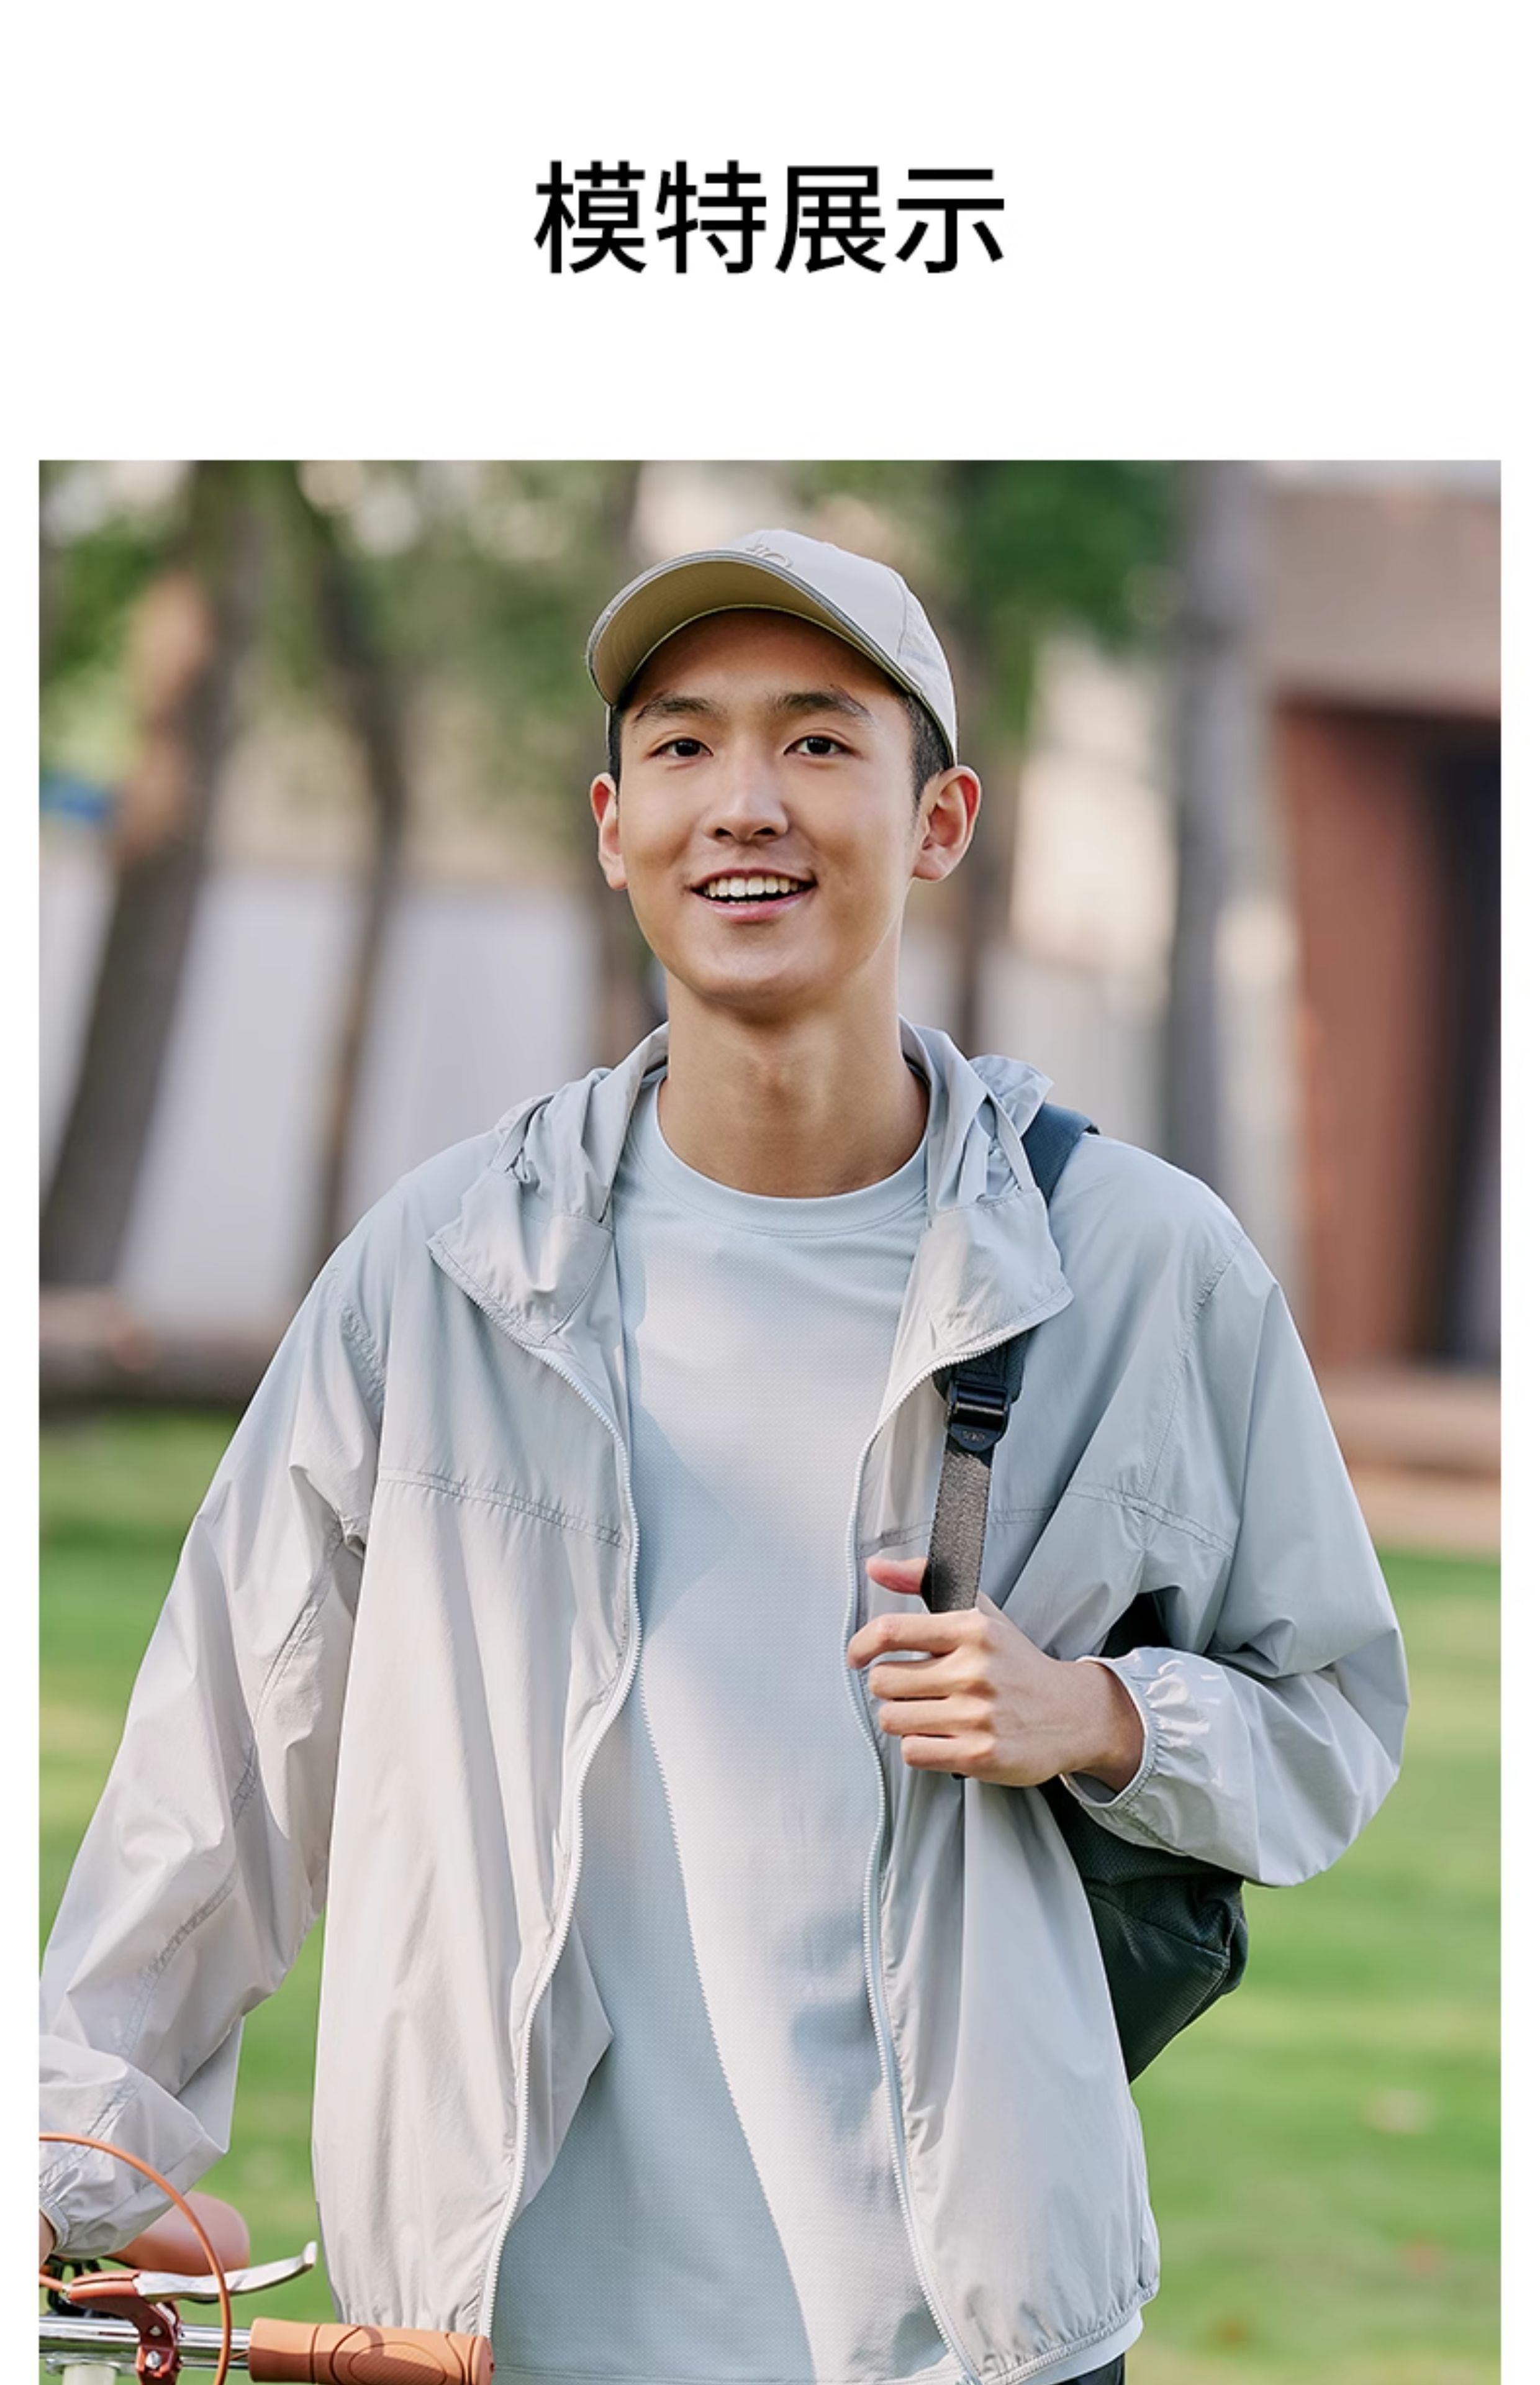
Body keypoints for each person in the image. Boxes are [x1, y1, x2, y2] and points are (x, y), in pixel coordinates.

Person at [40, 529, 1408, 2385]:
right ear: (616, 828)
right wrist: (69, 2152)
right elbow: (221, 1751)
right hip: (501, 2335)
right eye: (684, 746)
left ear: (940, 822)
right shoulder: (441, 1273)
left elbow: (1333, 1717)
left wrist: (1098, 1716)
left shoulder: (1144, 1269)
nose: (744, 801)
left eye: (819, 741)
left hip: (968, 2344)